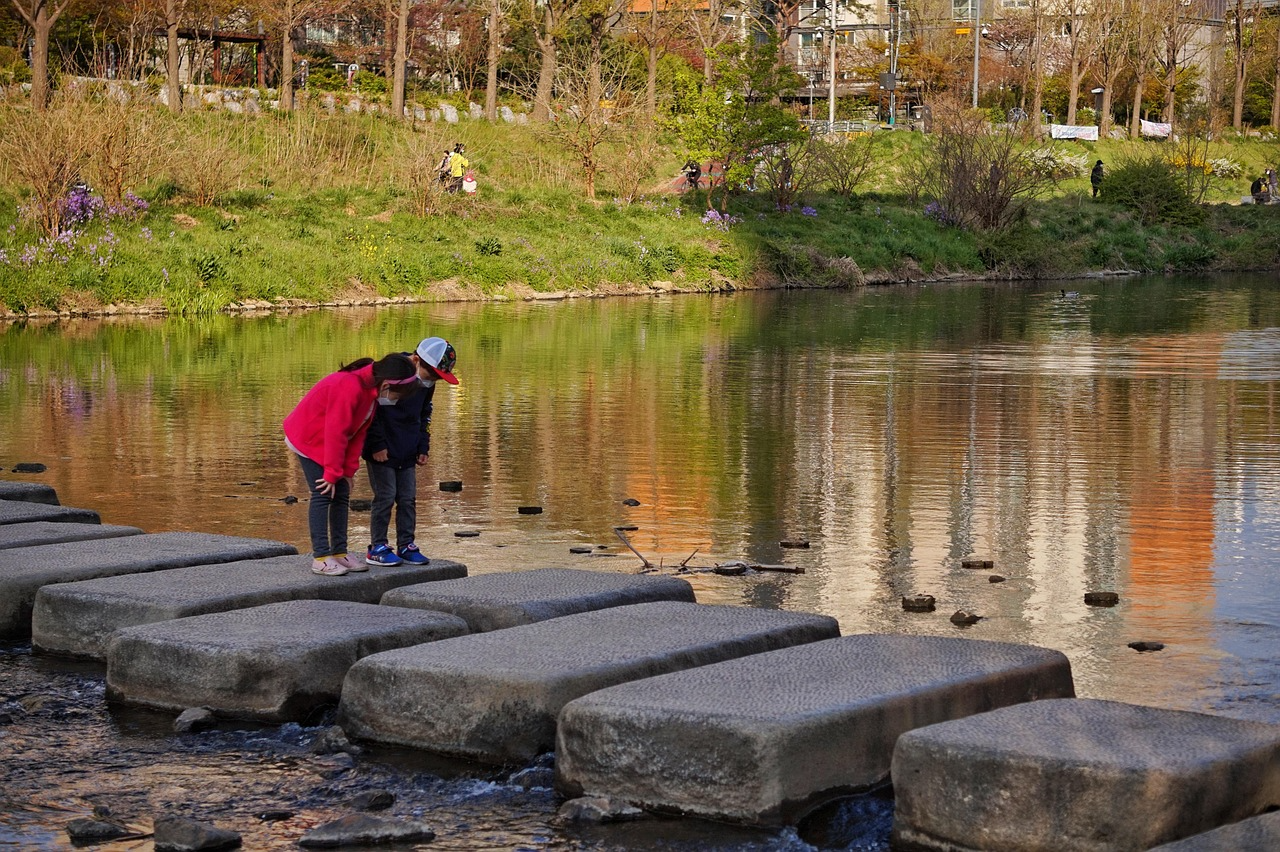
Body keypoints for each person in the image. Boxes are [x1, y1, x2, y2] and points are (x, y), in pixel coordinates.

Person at [283, 353, 420, 576]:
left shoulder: (370, 391)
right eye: (397, 394)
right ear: (387, 384)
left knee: (343, 491)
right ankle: (320, 557)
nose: (395, 400)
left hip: (327, 440)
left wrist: (347, 470)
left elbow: (357, 433)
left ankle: (339, 552)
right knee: (323, 492)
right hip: (308, 437)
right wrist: (331, 472)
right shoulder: (349, 387)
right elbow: (336, 432)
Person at [362, 337, 459, 567]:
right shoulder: (391, 372)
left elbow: (425, 413)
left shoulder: (427, 384)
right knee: (385, 497)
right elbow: (370, 413)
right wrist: (376, 446)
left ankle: (406, 544)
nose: (432, 381)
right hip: (381, 450)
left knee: (408, 498)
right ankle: (378, 546)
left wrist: (422, 445)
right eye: (431, 375)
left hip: (408, 447)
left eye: (438, 378)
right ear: (417, 361)